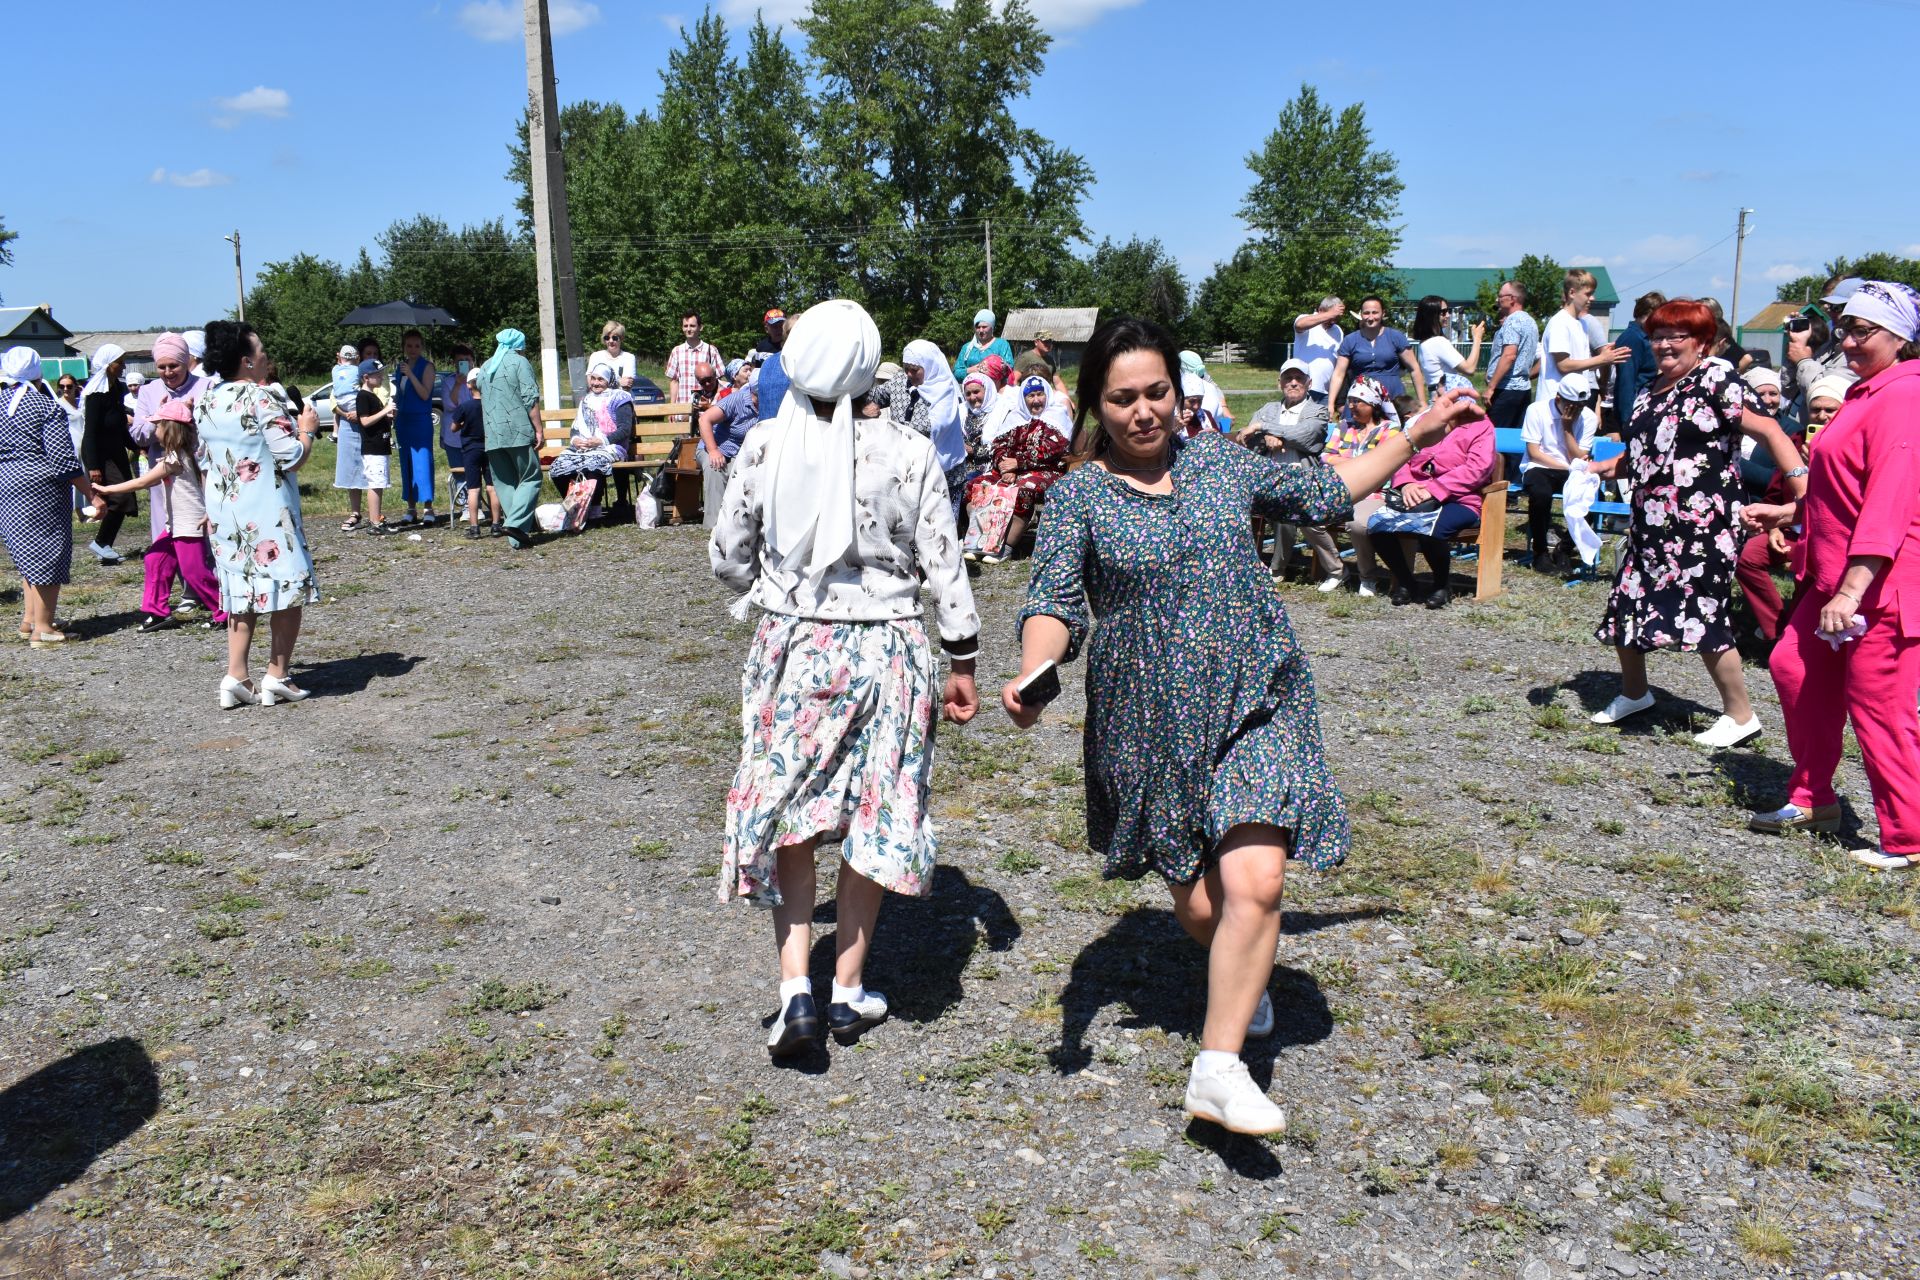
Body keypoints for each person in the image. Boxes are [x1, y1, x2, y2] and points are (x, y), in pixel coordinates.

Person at [1004, 315, 1482, 1135]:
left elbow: (1328, 494)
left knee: (1258, 882)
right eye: (1123, 399)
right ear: (1096, 405)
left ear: (1180, 395)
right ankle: (1241, 982)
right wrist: (1033, 669)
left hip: (1257, 692)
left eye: (1158, 392)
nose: (1144, 411)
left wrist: (1416, 433)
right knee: (1206, 907)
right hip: (1147, 720)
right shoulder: (1079, 495)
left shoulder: (1223, 464)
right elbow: (1051, 600)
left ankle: (1217, 1070)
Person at [709, 298, 981, 1059]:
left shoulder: (765, 446)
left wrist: (780, 587)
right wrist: (962, 660)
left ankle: (795, 987)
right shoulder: (908, 451)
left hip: (794, 645)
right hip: (889, 646)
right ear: (869, 364)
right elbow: (946, 569)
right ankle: (849, 990)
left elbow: (727, 557)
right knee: (878, 806)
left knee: (788, 805)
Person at [1742, 283, 1920, 868]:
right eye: (1843, 328)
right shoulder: (1867, 392)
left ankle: (1909, 837)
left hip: (1879, 584)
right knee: (1792, 666)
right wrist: (1790, 512)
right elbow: (1844, 484)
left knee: (1878, 704)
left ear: (1899, 336)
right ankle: (1814, 796)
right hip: (1832, 575)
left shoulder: (1903, 398)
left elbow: (1888, 503)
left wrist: (1851, 590)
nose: (1845, 341)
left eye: (1861, 331)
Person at [1588, 299, 1805, 748]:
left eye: (1677, 336)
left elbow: (1769, 432)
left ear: (1703, 343)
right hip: (1650, 520)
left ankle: (1740, 715)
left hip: (1701, 524)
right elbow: (1652, 450)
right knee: (1627, 601)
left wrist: (1801, 490)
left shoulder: (1715, 378)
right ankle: (1635, 693)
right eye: (1658, 335)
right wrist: (1613, 467)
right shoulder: (1651, 390)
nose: (1664, 344)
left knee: (1702, 611)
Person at [193, 321, 319, 708]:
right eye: (261, 350)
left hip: (226, 510)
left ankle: (236, 675)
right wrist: (307, 431)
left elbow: (204, 459)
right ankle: (278, 675)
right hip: (267, 509)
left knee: (240, 590)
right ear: (248, 361)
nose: (266, 356)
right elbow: (291, 456)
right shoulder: (261, 398)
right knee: (287, 586)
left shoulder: (206, 400)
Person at [93, 399, 227, 632]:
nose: (155, 431)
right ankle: (157, 611)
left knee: (195, 573)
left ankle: (225, 611)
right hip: (175, 524)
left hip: (189, 523)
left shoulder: (177, 459)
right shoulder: (180, 454)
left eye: (158, 426)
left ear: (170, 429)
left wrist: (106, 489)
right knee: (155, 559)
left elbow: (144, 481)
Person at [1, 347, 99, 647]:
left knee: (26, 552)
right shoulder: (46, 406)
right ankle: (43, 628)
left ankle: (30, 620)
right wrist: (91, 494)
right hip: (40, 487)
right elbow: (62, 460)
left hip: (5, 482)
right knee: (46, 551)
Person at [1366, 390, 1495, 609]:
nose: (1440, 401)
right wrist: (1406, 483)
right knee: (1377, 525)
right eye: (1438, 395)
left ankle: (1441, 585)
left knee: (1431, 530)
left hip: (1461, 499)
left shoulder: (1481, 425)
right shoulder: (1425, 422)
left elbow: (1478, 469)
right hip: (1416, 495)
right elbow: (1403, 454)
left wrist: (1435, 489)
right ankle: (1407, 582)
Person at [1735, 376, 1839, 643]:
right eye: (1816, 410)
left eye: (1830, 410)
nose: (1822, 416)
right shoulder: (1794, 441)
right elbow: (1775, 490)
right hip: (1789, 529)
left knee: (1810, 580)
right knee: (1747, 557)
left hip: (1826, 534)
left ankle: (1799, 637)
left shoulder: (1848, 444)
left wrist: (1820, 463)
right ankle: (1779, 629)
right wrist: (1775, 527)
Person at [1236, 361, 1336, 584]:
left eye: (1299, 378)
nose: (1293, 383)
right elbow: (1246, 436)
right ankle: (1240, 564)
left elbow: (1305, 435)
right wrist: (1267, 438)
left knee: (1284, 509)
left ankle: (1277, 567)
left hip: (1302, 477)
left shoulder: (1318, 410)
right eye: (1287, 378)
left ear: (1308, 383)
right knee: (1233, 505)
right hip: (1266, 477)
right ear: (1279, 382)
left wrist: (1265, 428)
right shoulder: (1268, 409)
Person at [962, 375, 1072, 564]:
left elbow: (1053, 449)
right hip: (1010, 469)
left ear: (1047, 395)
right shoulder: (1016, 417)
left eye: (1039, 395)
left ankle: (1007, 546)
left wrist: (1018, 463)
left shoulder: (1056, 416)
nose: (1036, 400)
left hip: (1047, 470)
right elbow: (998, 445)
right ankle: (981, 541)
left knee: (1022, 489)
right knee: (977, 485)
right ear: (1024, 399)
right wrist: (1005, 467)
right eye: (1030, 396)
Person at [1323, 377, 1397, 595]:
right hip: (1340, 489)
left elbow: (1383, 465)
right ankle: (1336, 570)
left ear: (1373, 404)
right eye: (1350, 401)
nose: (1352, 406)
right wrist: (1362, 464)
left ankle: (1367, 577)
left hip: (1373, 493)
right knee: (1308, 516)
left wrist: (1347, 464)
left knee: (1357, 523)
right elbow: (1326, 457)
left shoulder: (1390, 430)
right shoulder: (1344, 427)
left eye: (1358, 401)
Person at [1518, 374, 1600, 572]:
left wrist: (1567, 428)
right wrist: (1566, 467)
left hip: (1572, 469)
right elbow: (1534, 453)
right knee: (1541, 494)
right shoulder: (1536, 410)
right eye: (1572, 406)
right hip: (1540, 466)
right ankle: (1540, 552)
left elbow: (1580, 458)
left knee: (1590, 496)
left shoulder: (1589, 418)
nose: (1576, 411)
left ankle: (1564, 549)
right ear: (1558, 399)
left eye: (1580, 406)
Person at [476, 329, 544, 549]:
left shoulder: (486, 367)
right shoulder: (520, 363)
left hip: (492, 435)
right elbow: (530, 398)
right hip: (518, 431)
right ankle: (515, 524)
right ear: (520, 345)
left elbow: (479, 392)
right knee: (531, 477)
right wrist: (539, 429)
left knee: (505, 483)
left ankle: (516, 538)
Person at [550, 356, 632, 524]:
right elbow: (576, 427)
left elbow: (625, 429)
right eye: (593, 379)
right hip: (585, 446)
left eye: (600, 379)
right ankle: (574, 507)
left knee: (593, 465)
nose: (595, 383)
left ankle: (593, 508)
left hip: (611, 446)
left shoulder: (620, 398)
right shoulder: (586, 400)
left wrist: (600, 440)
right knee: (558, 466)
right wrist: (575, 440)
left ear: (609, 380)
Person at [1328, 295, 1426, 421]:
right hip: (1361, 396)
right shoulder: (1350, 340)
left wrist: (1422, 402)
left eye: (1375, 312)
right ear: (1361, 314)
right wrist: (1331, 404)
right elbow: (1339, 373)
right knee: (1356, 436)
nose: (1370, 317)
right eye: (1366, 313)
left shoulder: (1396, 337)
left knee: (1394, 435)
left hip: (1393, 394)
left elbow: (1414, 369)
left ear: (1383, 313)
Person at [1539, 269, 1627, 404]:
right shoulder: (1560, 323)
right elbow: (1564, 366)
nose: (1592, 298)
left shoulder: (1581, 324)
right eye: (1588, 294)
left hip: (1573, 401)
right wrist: (1602, 359)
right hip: (1554, 403)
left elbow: (1581, 364)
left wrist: (1609, 356)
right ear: (1572, 293)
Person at [80, 343, 133, 565]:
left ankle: (105, 545)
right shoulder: (95, 395)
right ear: (107, 365)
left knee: (126, 496)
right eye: (119, 362)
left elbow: (119, 426)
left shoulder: (116, 390)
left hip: (117, 451)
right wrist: (93, 466)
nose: (122, 367)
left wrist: (137, 445)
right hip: (101, 455)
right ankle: (101, 542)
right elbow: (90, 433)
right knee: (119, 497)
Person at [698, 369, 760, 528]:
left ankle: (744, 523)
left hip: (742, 452)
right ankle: (716, 526)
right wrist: (713, 450)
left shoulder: (769, 403)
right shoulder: (736, 399)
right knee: (716, 468)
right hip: (715, 445)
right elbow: (705, 420)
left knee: (745, 473)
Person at [391, 329, 439, 526]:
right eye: (409, 346)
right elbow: (398, 393)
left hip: (420, 421)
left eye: (417, 345)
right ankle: (411, 507)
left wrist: (410, 374)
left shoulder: (427, 367)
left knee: (422, 461)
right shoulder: (399, 367)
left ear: (422, 347)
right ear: (404, 347)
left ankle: (428, 506)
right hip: (403, 420)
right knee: (406, 463)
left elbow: (425, 394)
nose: (413, 349)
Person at [1736, 367, 1803, 498]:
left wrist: (1734, 461)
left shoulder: (1792, 430)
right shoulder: (1734, 425)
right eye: (1760, 394)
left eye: (1773, 394)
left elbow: (1779, 480)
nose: (1767, 400)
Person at [449, 369, 501, 539]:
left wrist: (463, 423)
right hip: (489, 448)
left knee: (473, 489)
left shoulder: (465, 407)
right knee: (492, 488)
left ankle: (474, 528)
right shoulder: (491, 406)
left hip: (471, 450)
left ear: (468, 386)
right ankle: (496, 525)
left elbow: (453, 428)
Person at [1481, 281, 1539, 430]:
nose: (1497, 300)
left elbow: (1509, 355)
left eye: (1500, 297)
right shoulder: (1530, 321)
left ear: (1512, 299)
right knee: (1514, 440)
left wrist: (1491, 387)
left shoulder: (1512, 322)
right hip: (1523, 390)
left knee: (1494, 438)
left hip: (1506, 390)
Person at [351, 360, 395, 534]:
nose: (381, 376)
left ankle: (377, 518)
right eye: (378, 374)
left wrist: (388, 416)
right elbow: (365, 421)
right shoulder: (363, 396)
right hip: (372, 447)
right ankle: (374, 522)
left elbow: (376, 419)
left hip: (381, 445)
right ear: (366, 377)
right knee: (375, 484)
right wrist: (385, 411)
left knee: (380, 483)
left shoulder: (373, 395)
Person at [1611, 293, 1664, 433]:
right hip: (1634, 408)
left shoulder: (1646, 338)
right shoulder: (1632, 339)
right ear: (1646, 314)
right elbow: (1626, 382)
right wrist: (1628, 422)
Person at [1411, 295, 1484, 395]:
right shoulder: (1438, 342)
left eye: (1448, 310)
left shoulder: (1425, 343)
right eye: (1443, 312)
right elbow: (1469, 369)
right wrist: (1477, 339)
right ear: (1431, 316)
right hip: (1447, 400)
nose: (1448, 315)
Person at [440, 343, 478, 509]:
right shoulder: (448, 381)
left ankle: (475, 504)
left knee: (474, 471)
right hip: (454, 436)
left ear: (472, 362)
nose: (464, 363)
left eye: (467, 360)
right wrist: (457, 384)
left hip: (475, 434)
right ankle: (465, 506)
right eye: (460, 361)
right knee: (458, 471)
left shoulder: (479, 381)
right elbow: (449, 405)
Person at [1292, 297, 1345, 404]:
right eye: (1332, 316)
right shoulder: (1306, 319)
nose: (1333, 320)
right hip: (1303, 388)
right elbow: (1299, 325)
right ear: (1321, 310)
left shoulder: (1337, 330)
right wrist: (1330, 314)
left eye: (1336, 317)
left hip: (1326, 393)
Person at [666, 311, 723, 405]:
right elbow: (674, 381)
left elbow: (719, 379)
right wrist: (672, 408)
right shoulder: (676, 351)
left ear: (700, 327)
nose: (688, 329)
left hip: (706, 407)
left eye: (692, 326)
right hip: (683, 408)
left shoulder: (711, 350)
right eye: (685, 326)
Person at [953, 309, 1014, 382]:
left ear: (992, 327)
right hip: (972, 390)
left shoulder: (1002, 344)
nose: (981, 330)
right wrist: (973, 370)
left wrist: (1004, 367)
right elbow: (956, 373)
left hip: (995, 389)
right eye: (978, 327)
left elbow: (1010, 368)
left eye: (984, 327)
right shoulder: (967, 347)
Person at [754, 309, 790, 425]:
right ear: (767, 328)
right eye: (774, 326)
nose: (778, 329)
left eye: (781, 325)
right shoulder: (761, 347)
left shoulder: (790, 344)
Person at [599, 321, 638, 392]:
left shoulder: (629, 357)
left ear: (621, 339)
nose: (610, 341)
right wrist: (618, 382)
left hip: (621, 400)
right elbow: (592, 384)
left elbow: (626, 385)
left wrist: (603, 382)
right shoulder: (596, 356)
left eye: (615, 338)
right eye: (607, 338)